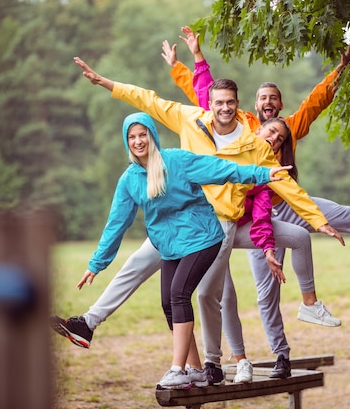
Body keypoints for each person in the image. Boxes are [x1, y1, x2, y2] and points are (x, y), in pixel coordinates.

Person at [65, 57, 345, 386]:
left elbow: (279, 181)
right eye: (218, 103)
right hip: (177, 220)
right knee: (138, 266)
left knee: (207, 294)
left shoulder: (255, 143)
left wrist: (316, 217)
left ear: (238, 105)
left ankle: (211, 361)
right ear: (209, 104)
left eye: (230, 103)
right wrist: (105, 82)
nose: (224, 108)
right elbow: (148, 101)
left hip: (218, 224)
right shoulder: (192, 120)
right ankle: (89, 322)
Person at [164, 26, 350, 377]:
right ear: (254, 105)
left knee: (345, 215)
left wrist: (341, 70)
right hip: (253, 215)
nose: (268, 103)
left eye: (273, 98)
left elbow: (317, 100)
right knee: (266, 291)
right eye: (262, 98)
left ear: (280, 105)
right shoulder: (243, 125)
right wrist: (186, 63)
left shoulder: (290, 125)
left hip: (290, 203)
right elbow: (206, 96)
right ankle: (280, 354)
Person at [52, 112, 291, 389]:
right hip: (170, 245)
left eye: (143, 134)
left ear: (152, 135)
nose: (138, 141)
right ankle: (197, 371)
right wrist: (96, 263)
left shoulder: (177, 161)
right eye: (132, 137)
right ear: (126, 141)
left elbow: (222, 169)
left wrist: (262, 173)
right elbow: (116, 224)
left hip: (202, 237)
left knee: (179, 294)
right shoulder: (130, 180)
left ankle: (177, 369)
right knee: (168, 303)